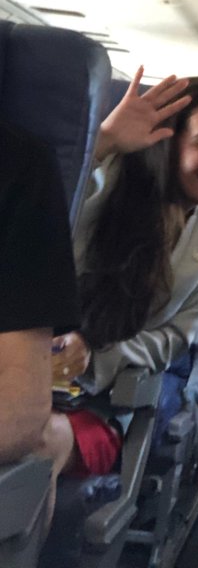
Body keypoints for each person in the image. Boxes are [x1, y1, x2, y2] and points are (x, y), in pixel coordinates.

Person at [39, 71, 198, 500]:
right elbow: (34, 227)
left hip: (103, 398)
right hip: (23, 362)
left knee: (37, 446)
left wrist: (95, 355)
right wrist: (100, 144)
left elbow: (177, 334)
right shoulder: (109, 176)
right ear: (169, 144)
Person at [0, 120, 80, 464]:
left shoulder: (20, 166)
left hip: (83, 377)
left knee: (49, 441)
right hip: (59, 365)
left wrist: (95, 351)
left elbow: (17, 411)